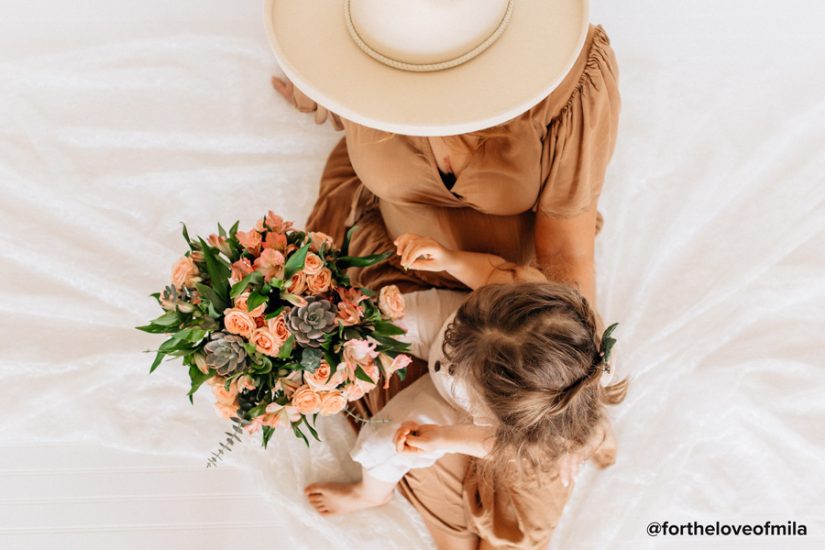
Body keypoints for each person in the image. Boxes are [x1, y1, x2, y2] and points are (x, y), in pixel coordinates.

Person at [264, 2, 622, 547]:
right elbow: (486, 284)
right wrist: (324, 89)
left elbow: (565, 260)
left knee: (533, 491)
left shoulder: (564, 85)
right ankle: (373, 489)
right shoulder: (502, 293)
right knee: (373, 367)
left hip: (514, 353)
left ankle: (584, 425)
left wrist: (445, 438)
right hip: (444, 292)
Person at [304, 235, 629, 547]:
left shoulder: (524, 429)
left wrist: (444, 437)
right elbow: (491, 271)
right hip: (453, 320)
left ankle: (371, 493)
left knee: (381, 443)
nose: (453, 349)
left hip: (453, 395)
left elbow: (495, 443)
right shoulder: (533, 302)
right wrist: (450, 260)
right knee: (372, 320)